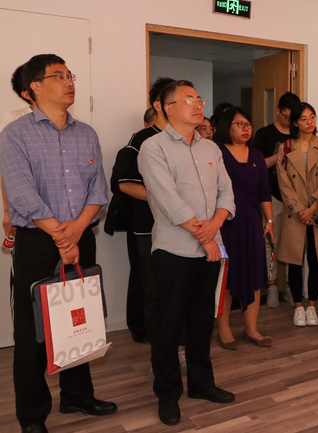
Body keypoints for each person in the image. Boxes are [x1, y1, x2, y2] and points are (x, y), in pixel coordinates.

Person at [0, 53, 116, 433]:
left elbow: (98, 189)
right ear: (34, 87)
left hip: (81, 237)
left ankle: (77, 395)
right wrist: (61, 237)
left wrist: (77, 230)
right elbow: (21, 195)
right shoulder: (15, 135)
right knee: (32, 332)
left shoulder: (87, 134)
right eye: (58, 76)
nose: (69, 82)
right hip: (38, 242)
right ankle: (32, 417)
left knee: (80, 319)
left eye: (70, 75)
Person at [138, 80, 236, 426]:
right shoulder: (153, 148)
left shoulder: (211, 149)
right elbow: (168, 201)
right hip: (174, 250)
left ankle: (201, 384)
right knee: (168, 325)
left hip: (209, 249)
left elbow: (227, 192)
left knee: (201, 321)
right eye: (189, 99)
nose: (198, 105)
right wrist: (205, 236)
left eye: (199, 99)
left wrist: (215, 226)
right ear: (168, 108)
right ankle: (167, 393)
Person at [109, 77, 173, 345]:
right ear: (159, 105)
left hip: (177, 224)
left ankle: (168, 329)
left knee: (169, 280)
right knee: (147, 279)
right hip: (146, 224)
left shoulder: (184, 139)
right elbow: (124, 184)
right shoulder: (142, 139)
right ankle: (145, 329)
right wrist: (168, 200)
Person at [215, 107, 274, 349]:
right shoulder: (216, 152)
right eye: (240, 124)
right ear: (227, 126)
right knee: (227, 278)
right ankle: (224, 329)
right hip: (226, 223)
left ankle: (251, 328)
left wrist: (269, 221)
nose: (246, 128)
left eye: (248, 124)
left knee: (254, 275)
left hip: (251, 223)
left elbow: (264, 192)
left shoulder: (257, 155)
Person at [276, 102, 318, 327]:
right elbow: (283, 182)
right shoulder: (286, 147)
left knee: (316, 259)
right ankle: (298, 307)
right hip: (295, 213)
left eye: (312, 117)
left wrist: (311, 208)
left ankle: (312, 306)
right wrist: (300, 209)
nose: (310, 122)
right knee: (295, 260)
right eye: (304, 118)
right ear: (295, 122)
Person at [252, 92, 300, 308]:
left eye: (293, 117)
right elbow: (257, 165)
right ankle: (271, 285)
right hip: (272, 195)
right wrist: (282, 152)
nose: (290, 121)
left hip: (296, 198)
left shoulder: (300, 133)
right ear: (278, 111)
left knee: (292, 243)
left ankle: (289, 286)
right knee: (271, 243)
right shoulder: (264, 134)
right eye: (287, 116)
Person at [2, 63, 35, 245]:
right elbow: (7, 170)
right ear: (27, 93)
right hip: (25, 216)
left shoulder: (73, 122)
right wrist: (7, 212)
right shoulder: (14, 120)